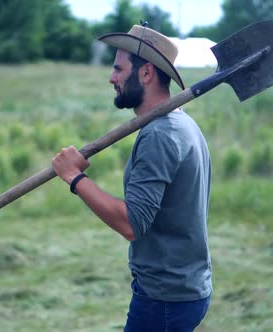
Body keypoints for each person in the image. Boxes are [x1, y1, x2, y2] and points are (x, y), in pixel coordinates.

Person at [51, 23, 212, 331]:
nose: (112, 78)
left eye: (118, 69)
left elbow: (131, 224)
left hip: (166, 297)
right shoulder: (181, 124)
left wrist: (74, 178)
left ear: (146, 73)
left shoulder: (160, 134)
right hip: (183, 288)